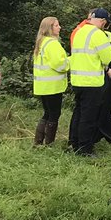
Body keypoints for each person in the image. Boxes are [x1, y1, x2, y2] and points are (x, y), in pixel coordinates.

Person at [67, 8, 111, 156]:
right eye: (105, 24)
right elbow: (108, 58)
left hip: (77, 80)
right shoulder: (98, 35)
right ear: (102, 21)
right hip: (92, 82)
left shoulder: (79, 32)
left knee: (78, 113)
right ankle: (85, 149)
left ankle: (74, 143)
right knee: (88, 117)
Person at [31, 16, 69, 146]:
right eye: (57, 25)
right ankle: (49, 143)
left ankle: (38, 142)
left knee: (47, 113)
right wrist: (70, 62)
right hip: (53, 86)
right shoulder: (52, 44)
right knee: (54, 114)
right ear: (50, 28)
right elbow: (60, 64)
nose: (60, 27)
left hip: (43, 85)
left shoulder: (42, 42)